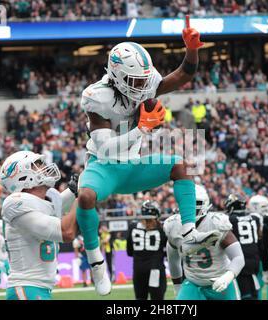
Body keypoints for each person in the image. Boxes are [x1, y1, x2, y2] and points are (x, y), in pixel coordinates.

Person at [76, 15, 219, 296]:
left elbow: (183, 76)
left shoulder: (142, 82)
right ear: (117, 77)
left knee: (181, 166)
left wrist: (191, 50)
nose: (143, 86)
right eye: (135, 80)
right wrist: (142, 129)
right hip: (104, 166)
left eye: (144, 80)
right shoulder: (97, 98)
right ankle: (95, 261)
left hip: (133, 165)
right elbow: (106, 148)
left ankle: (189, 231)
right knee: (85, 196)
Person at [0, 151, 79, 300]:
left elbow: (54, 207)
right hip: (26, 287)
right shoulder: (17, 202)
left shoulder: (44, 201)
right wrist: (80, 196)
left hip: (37, 289)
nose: (44, 167)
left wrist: (74, 191)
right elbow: (66, 232)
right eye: (37, 165)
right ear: (22, 176)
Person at [164, 185, 245, 300]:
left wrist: (227, 277)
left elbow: (238, 257)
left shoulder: (216, 223)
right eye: (187, 202)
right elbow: (173, 259)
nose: (190, 207)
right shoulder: (174, 225)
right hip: (192, 283)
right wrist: (177, 286)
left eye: (195, 203)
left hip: (220, 281)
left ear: (205, 204)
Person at [127, 200, 167, 300]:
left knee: (140, 298)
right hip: (155, 269)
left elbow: (129, 252)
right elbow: (167, 252)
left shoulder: (132, 227)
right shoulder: (162, 229)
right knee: (157, 299)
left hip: (138, 270)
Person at [226, 194, 261, 300]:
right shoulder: (255, 218)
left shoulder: (230, 220)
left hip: (240, 258)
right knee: (252, 289)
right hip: (254, 258)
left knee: (243, 293)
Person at [248, 194, 268, 300]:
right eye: (264, 206)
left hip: (255, 256)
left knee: (258, 283)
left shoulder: (250, 219)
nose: (267, 208)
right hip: (265, 255)